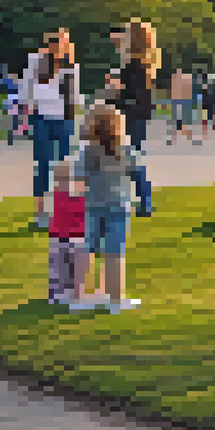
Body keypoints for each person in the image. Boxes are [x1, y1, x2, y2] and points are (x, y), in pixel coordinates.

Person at [67, 103, 150, 313]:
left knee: (86, 251)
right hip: (119, 206)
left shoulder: (86, 151)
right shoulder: (125, 150)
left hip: (91, 206)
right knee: (114, 253)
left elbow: (77, 182)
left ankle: (79, 299)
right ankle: (115, 300)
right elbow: (136, 172)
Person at [23, 31, 83, 218]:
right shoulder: (36, 62)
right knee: (42, 164)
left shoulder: (71, 67)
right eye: (54, 44)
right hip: (42, 118)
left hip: (65, 119)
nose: (58, 49)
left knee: (65, 165)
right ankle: (40, 211)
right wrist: (30, 108)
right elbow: (27, 90)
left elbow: (75, 95)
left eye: (61, 45)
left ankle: (63, 209)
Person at [108, 20, 160, 152]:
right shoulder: (147, 62)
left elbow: (131, 93)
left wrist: (115, 89)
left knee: (128, 155)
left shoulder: (133, 64)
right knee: (135, 155)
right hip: (141, 113)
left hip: (130, 115)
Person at [45, 159, 89, 306]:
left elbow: (50, 216)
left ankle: (56, 294)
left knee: (58, 269)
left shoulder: (53, 196)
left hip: (57, 238)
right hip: (77, 238)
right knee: (77, 269)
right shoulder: (81, 198)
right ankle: (76, 295)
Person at [0, 63, 23, 145]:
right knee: (13, 120)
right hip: (12, 102)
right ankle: (12, 136)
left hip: (16, 102)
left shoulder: (18, 82)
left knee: (16, 120)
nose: (14, 76)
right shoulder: (11, 82)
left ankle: (14, 135)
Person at [169, 68, 194, 145]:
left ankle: (184, 135)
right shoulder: (182, 78)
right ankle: (177, 136)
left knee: (183, 118)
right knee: (179, 118)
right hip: (180, 99)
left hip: (182, 100)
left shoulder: (183, 78)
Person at [201, 72, 215, 145]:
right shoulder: (212, 86)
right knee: (211, 118)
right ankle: (208, 134)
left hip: (210, 102)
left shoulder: (208, 86)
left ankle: (208, 134)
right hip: (210, 102)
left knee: (211, 118)